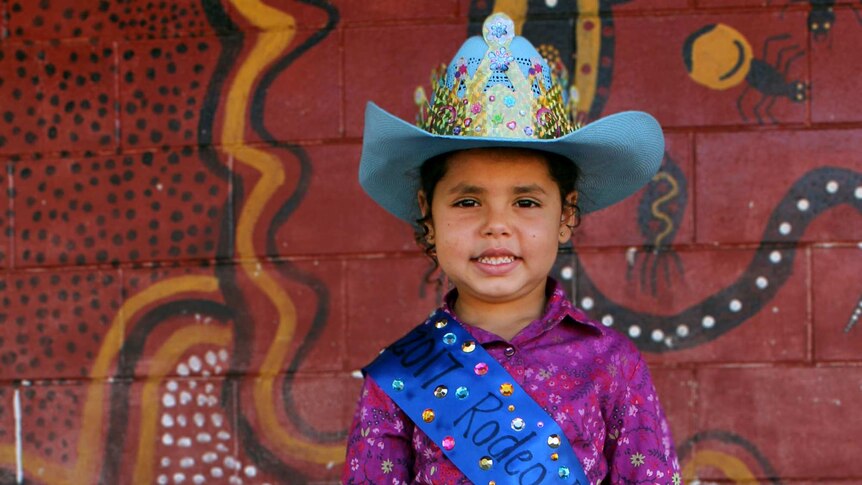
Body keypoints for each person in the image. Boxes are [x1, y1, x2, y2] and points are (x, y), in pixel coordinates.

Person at [343, 12, 682, 485]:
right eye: (467, 201)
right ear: (428, 213)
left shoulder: (612, 364)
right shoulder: (402, 377)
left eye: (525, 202)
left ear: (565, 216)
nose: (496, 226)